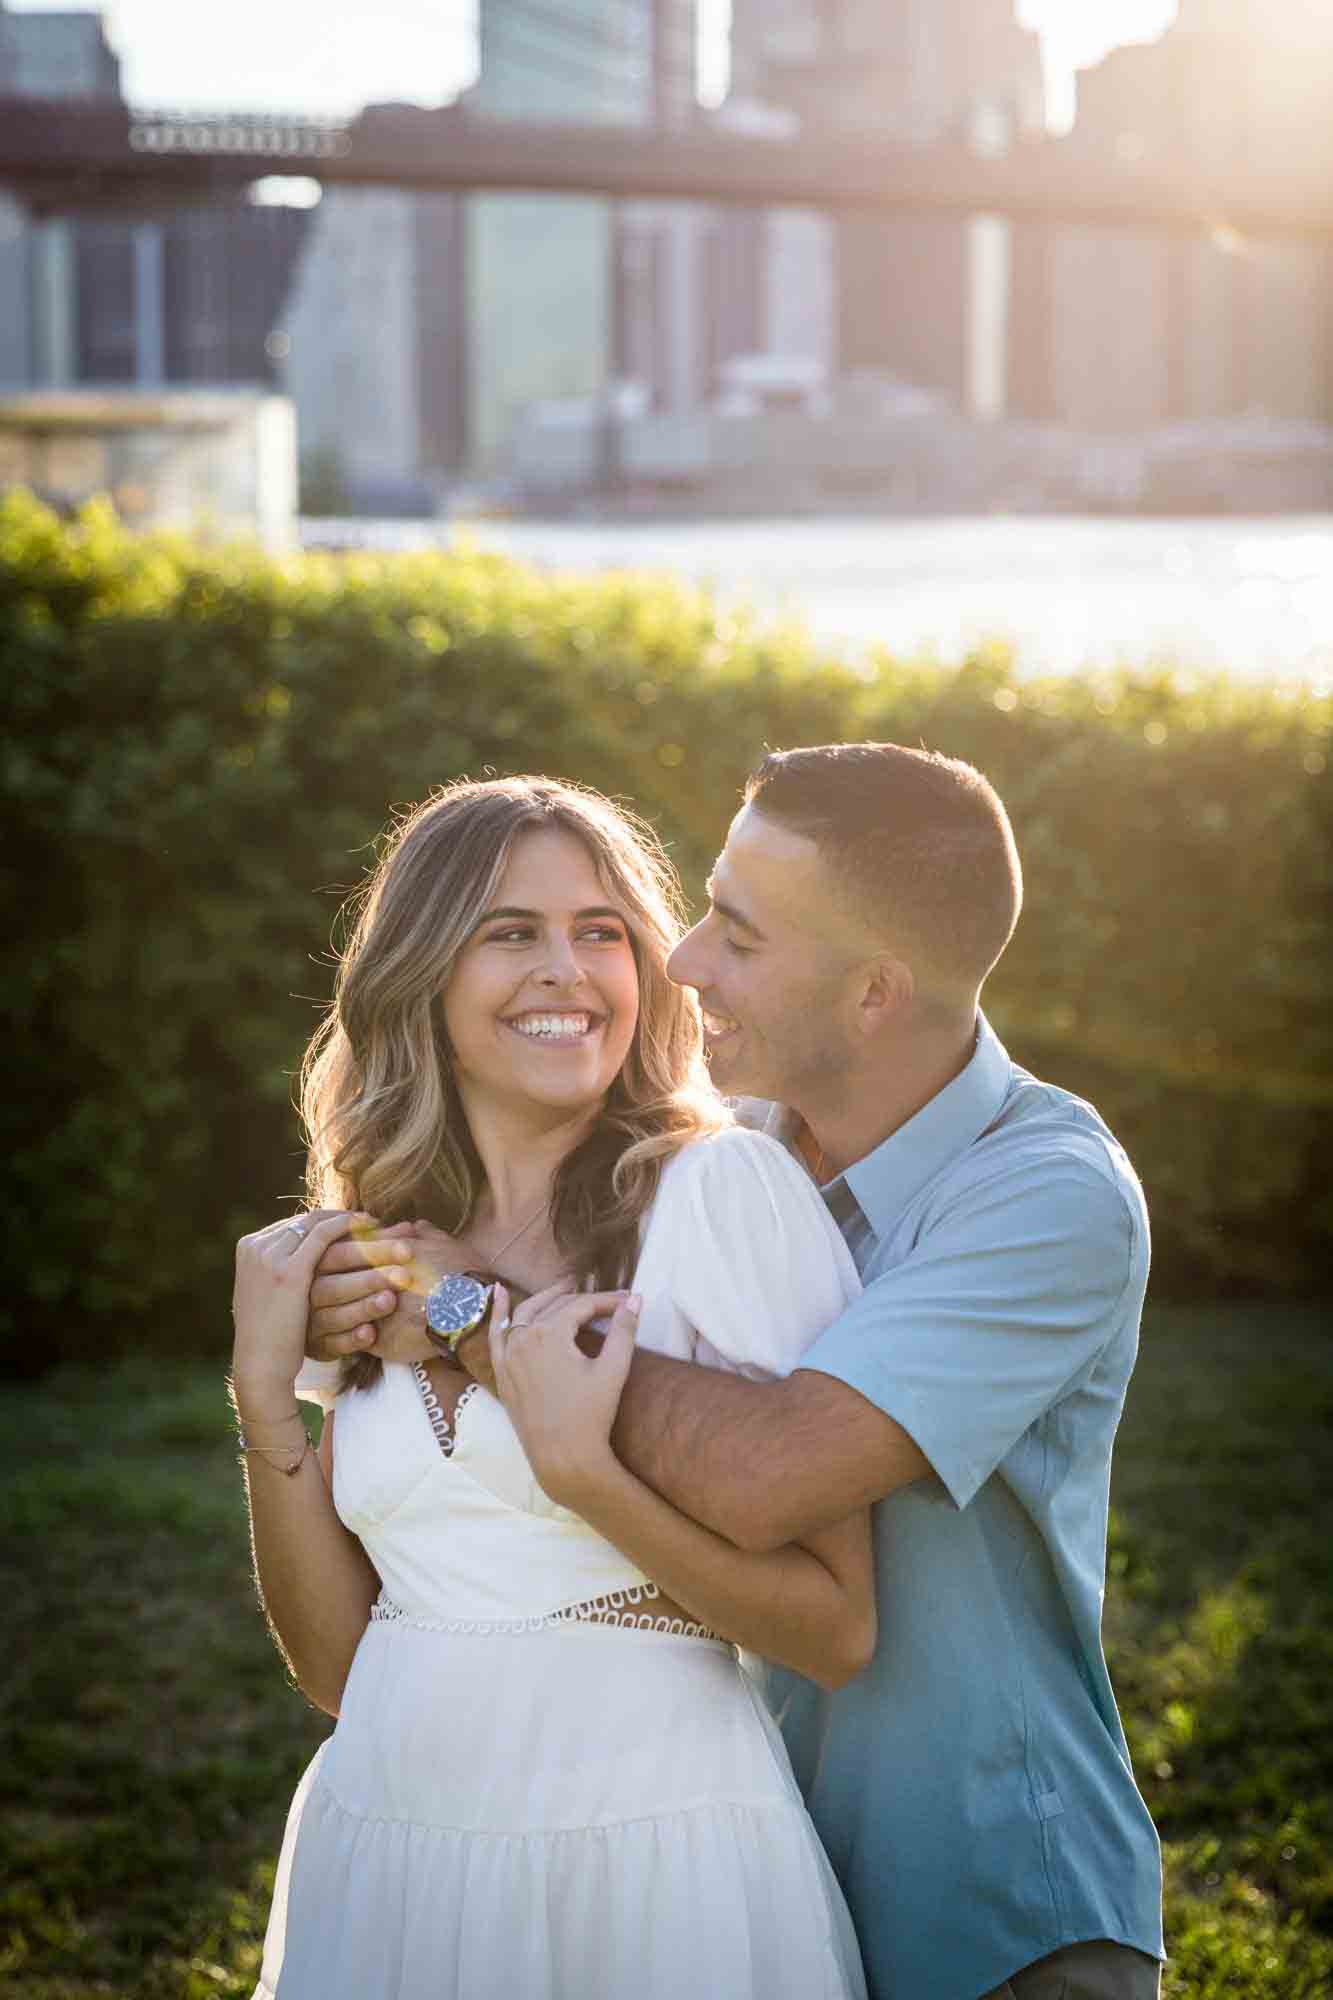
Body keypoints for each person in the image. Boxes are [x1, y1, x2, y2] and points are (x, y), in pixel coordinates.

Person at [313, 744, 1165, 2000]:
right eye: (704, 906)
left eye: (739, 934)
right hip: (736, 1845)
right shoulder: (731, 1156)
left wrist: (463, 1315)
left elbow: (771, 1472)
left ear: (873, 990)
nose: (684, 957)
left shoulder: (1043, 1194)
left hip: (980, 1895)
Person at [231, 775, 871, 2000]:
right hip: (389, 1840)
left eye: (600, 932)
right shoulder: (369, 1248)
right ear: (421, 969)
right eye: (508, 931)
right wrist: (262, 1401)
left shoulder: (720, 1195)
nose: (565, 970)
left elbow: (835, 1625)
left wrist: (568, 1443)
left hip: (648, 1844)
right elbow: (335, 1669)